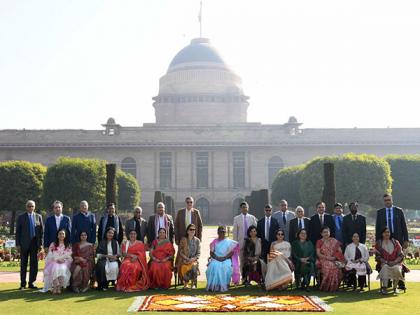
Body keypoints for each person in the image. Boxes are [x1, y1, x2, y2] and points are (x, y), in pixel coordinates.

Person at [376, 194, 409, 291]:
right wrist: (378, 241)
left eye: (389, 200)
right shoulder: (380, 212)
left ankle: (401, 283)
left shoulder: (399, 211)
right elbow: (378, 227)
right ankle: (388, 282)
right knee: (387, 258)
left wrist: (406, 239)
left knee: (399, 260)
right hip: (385, 239)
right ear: (384, 201)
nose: (387, 202)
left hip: (398, 238)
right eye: (385, 200)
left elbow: (404, 225)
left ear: (392, 200)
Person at [16, 200, 44, 290]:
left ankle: (31, 283)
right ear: (26, 207)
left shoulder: (38, 217)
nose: (30, 208)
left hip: (35, 244)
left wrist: (41, 244)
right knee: (23, 265)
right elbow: (18, 232)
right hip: (24, 244)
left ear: (34, 207)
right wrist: (18, 244)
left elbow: (41, 232)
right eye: (29, 206)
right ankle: (22, 284)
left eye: (32, 206)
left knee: (34, 265)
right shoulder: (21, 217)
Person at [206, 226, 240, 292]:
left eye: (223, 232)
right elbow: (211, 253)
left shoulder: (229, 242)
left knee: (225, 266)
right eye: (220, 232)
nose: (222, 233)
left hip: (226, 259)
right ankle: (214, 285)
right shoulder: (214, 242)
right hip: (216, 258)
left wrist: (224, 258)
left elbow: (232, 252)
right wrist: (217, 258)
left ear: (225, 232)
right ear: (218, 233)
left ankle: (225, 284)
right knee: (213, 266)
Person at [375, 227, 405, 295]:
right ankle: (385, 288)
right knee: (385, 267)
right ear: (382, 234)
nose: (387, 233)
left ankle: (395, 288)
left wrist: (394, 262)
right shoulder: (379, 243)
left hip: (396, 263)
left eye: (388, 232)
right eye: (385, 232)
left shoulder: (395, 242)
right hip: (384, 263)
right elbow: (377, 256)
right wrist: (386, 262)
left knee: (397, 268)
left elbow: (401, 255)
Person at [232, 201, 257, 282]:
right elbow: (235, 232)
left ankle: (249, 278)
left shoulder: (252, 218)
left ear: (248, 208)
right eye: (243, 207)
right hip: (241, 243)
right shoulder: (236, 218)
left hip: (251, 243)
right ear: (241, 209)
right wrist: (235, 244)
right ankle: (243, 278)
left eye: (246, 207)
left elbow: (255, 230)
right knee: (242, 261)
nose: (244, 209)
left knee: (250, 261)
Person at [42, 229, 73, 294]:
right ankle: (56, 286)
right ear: (57, 235)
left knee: (62, 269)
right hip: (54, 261)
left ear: (65, 235)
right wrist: (57, 259)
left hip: (64, 262)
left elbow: (69, 254)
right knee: (55, 268)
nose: (61, 235)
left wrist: (63, 259)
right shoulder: (53, 244)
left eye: (63, 234)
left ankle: (59, 287)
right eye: (60, 234)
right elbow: (50, 254)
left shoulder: (68, 245)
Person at [316, 226, 345, 292]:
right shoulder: (319, 242)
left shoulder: (334, 241)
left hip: (333, 258)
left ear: (329, 233)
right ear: (321, 233)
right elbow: (318, 253)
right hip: (323, 259)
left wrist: (334, 257)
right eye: (324, 232)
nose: (326, 234)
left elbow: (340, 251)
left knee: (336, 266)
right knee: (330, 266)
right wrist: (327, 257)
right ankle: (326, 286)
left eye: (327, 232)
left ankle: (335, 286)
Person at [175, 224, 201, 289]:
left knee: (194, 266)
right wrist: (186, 258)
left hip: (193, 260)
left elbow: (198, 253)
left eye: (194, 230)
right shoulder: (183, 239)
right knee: (184, 266)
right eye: (191, 229)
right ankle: (186, 283)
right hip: (184, 260)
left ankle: (194, 283)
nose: (192, 231)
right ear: (187, 231)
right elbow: (180, 251)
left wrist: (192, 259)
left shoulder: (197, 240)